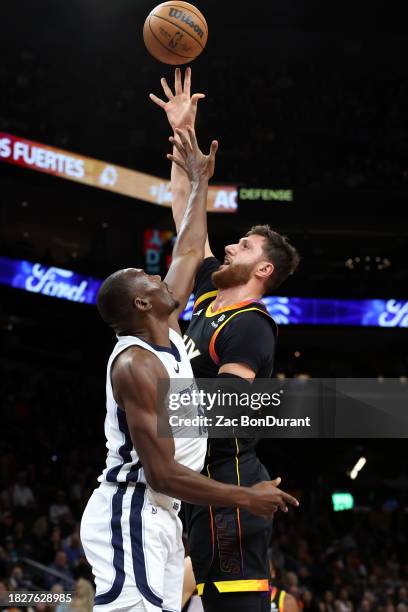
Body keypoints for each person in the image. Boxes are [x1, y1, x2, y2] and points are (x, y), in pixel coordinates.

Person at [80, 127, 299, 612]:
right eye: (150, 279)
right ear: (143, 302)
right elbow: (167, 466)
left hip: (180, 499)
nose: (161, 276)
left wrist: (196, 170)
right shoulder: (140, 359)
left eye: (243, 245)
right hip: (143, 500)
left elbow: (186, 240)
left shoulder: (179, 327)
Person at [151, 68, 300, 612]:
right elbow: (186, 219)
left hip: (228, 486)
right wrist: (180, 138)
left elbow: (227, 410)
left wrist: (153, 407)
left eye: (242, 245)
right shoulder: (212, 298)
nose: (229, 247)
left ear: (262, 269)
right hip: (196, 483)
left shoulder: (252, 325)